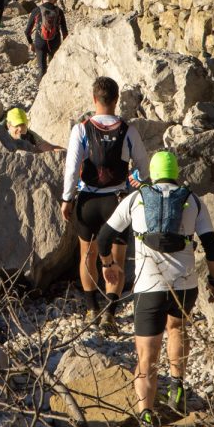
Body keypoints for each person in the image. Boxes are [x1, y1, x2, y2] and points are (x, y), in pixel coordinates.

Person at [97, 150, 214, 427]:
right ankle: (177, 386)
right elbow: (212, 245)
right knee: (177, 328)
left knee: (146, 356)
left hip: (148, 288)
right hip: (184, 285)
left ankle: (146, 418)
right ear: (176, 172)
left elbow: (104, 237)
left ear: (152, 174)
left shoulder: (136, 199)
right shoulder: (192, 200)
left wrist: (108, 264)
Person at [60, 76, 149, 333]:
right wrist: (136, 181)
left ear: (94, 99)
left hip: (87, 200)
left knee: (87, 255)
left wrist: (67, 199)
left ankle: (91, 308)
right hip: (117, 202)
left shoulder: (81, 129)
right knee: (116, 258)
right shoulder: (128, 130)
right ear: (117, 100)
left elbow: (72, 168)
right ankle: (110, 312)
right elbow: (143, 167)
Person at [25, 0, 68, 77]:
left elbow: (27, 31)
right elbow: (64, 31)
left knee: (42, 69)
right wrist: (64, 45)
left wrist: (31, 43)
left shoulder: (36, 10)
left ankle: (41, 84)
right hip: (55, 42)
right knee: (55, 68)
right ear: (54, 0)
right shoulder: (59, 11)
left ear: (42, 0)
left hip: (40, 43)